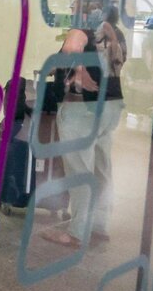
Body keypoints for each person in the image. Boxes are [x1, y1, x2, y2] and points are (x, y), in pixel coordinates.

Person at [40, 15, 125, 248]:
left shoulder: (83, 29)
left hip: (81, 107)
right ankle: (98, 225)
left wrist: (78, 71)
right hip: (110, 104)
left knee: (79, 169)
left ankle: (77, 232)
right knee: (101, 168)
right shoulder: (116, 33)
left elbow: (70, 48)